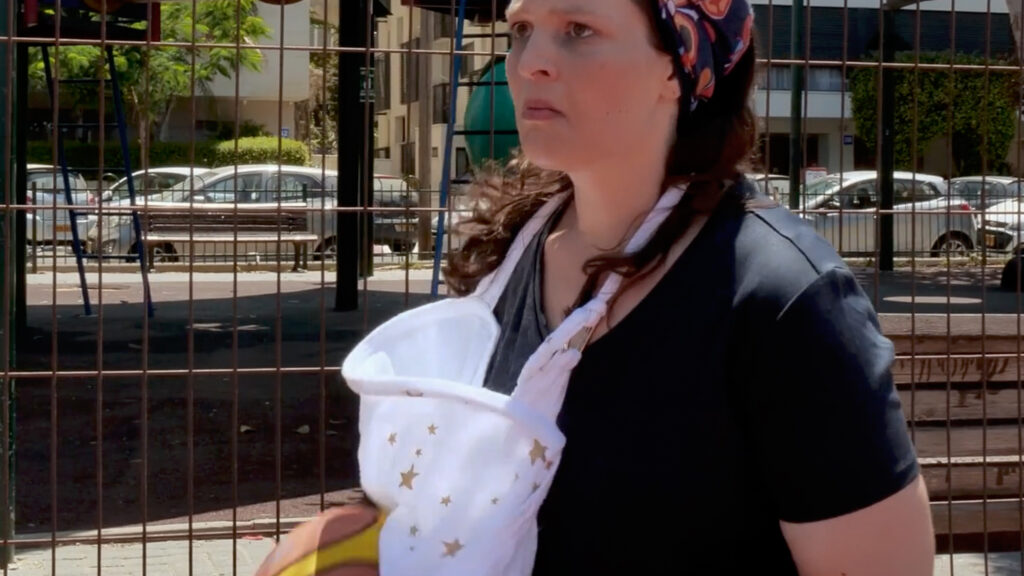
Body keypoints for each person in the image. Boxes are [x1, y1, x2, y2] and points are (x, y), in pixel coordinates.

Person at [437, 0, 935, 574]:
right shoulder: (504, 254)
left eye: (579, 30)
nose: (529, 64)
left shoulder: (784, 299)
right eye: (522, 29)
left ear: (676, 67)